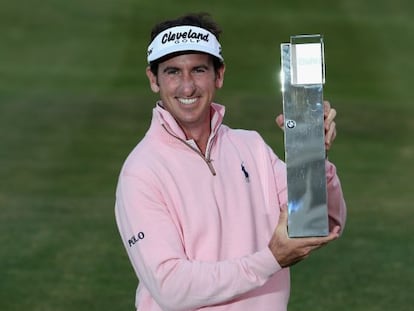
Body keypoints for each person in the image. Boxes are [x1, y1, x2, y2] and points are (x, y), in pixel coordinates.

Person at [115, 12, 346, 311]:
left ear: (219, 75)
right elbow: (171, 287)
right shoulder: (141, 171)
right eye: (173, 72)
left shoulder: (250, 147)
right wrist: (269, 260)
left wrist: (312, 157)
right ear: (153, 79)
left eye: (198, 70)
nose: (187, 87)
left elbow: (319, 222)